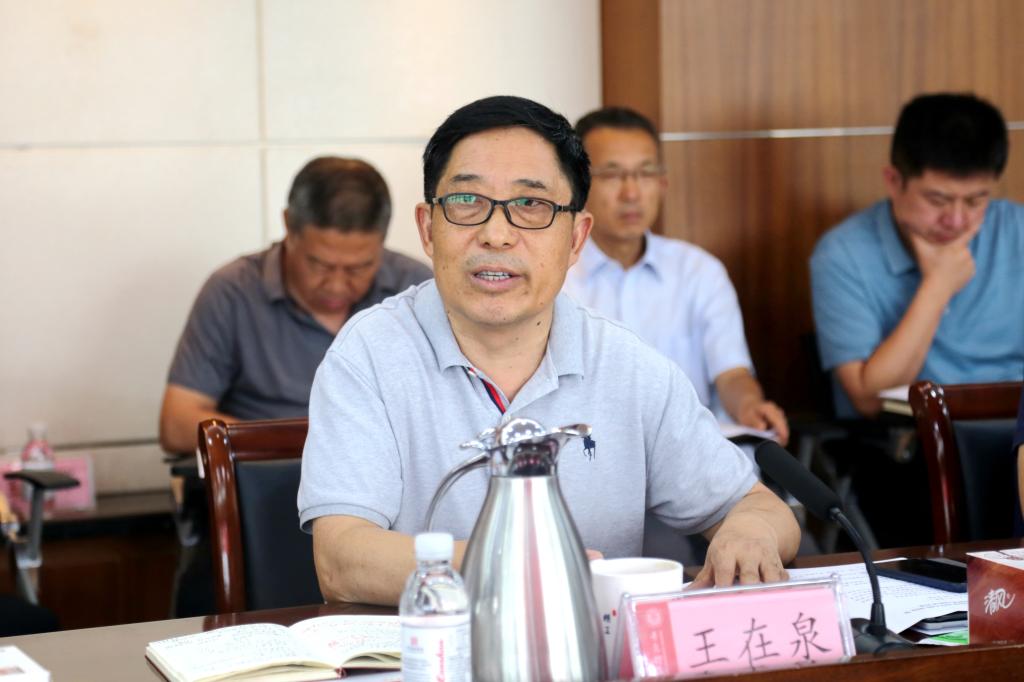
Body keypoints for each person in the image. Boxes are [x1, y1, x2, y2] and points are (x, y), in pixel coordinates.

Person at [298, 95, 800, 606]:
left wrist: (750, 532)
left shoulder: (627, 365)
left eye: (531, 206)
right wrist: (509, 564)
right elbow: (341, 559)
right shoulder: (369, 355)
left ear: (577, 238)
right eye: (467, 201)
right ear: (428, 228)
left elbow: (761, 509)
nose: (496, 235)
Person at [159, 156, 432, 453]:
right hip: (270, 471)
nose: (337, 285)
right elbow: (178, 424)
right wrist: (320, 448)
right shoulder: (233, 292)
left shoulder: (418, 290)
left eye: (359, 268)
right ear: (289, 225)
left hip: (388, 474)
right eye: (319, 265)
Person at [564, 106, 788, 444]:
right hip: (592, 455)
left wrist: (750, 407)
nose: (631, 193)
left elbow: (731, 373)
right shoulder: (557, 278)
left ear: (662, 183)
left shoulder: (699, 272)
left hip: (688, 455)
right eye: (612, 175)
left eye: (645, 174)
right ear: (578, 185)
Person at [811, 93, 1024, 419]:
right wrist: (938, 286)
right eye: (938, 200)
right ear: (894, 182)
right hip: (910, 437)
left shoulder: (1016, 229)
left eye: (975, 201)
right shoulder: (841, 255)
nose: (956, 220)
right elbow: (868, 400)